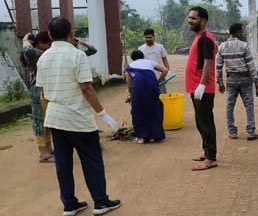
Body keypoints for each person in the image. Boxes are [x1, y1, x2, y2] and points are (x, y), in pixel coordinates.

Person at [36, 17, 121, 215]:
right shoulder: (77, 55)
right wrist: (103, 113)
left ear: (49, 35)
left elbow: (43, 91)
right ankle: (101, 202)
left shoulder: (43, 58)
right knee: (91, 160)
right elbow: (86, 87)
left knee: (63, 164)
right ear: (70, 33)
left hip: (55, 118)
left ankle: (70, 204)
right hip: (78, 119)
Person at [184, 6, 219, 171]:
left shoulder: (205, 38)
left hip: (202, 88)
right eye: (189, 18)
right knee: (200, 121)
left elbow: (208, 63)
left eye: (194, 18)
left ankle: (211, 158)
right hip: (196, 87)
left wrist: (202, 85)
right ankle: (206, 151)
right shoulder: (199, 37)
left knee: (205, 122)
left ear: (203, 20)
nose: (190, 21)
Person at [216, 23, 258, 140]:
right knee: (249, 105)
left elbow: (219, 66)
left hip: (231, 79)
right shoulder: (244, 46)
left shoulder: (221, 47)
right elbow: (251, 65)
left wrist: (220, 83)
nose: (242, 34)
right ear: (237, 32)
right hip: (245, 79)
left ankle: (232, 132)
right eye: (241, 32)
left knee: (230, 105)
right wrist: (256, 81)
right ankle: (251, 132)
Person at [21, 32, 53, 162]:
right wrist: (25, 41)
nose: (50, 46)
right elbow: (28, 50)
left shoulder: (39, 54)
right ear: (39, 44)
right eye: (47, 44)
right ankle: (43, 153)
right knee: (39, 121)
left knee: (47, 121)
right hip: (37, 91)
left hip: (44, 90)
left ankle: (48, 149)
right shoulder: (37, 54)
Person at [125, 50, 168, 144]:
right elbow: (165, 70)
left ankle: (142, 137)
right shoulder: (150, 62)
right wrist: (158, 81)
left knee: (137, 110)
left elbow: (129, 84)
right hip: (152, 86)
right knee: (154, 108)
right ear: (143, 56)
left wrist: (130, 95)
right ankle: (154, 136)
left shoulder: (130, 66)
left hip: (138, 87)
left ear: (132, 58)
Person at [139, 29, 170, 93]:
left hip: (160, 76)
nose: (148, 39)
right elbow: (140, 63)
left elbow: (164, 59)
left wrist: (167, 72)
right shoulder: (140, 48)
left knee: (162, 93)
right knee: (149, 94)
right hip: (147, 77)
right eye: (146, 37)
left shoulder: (160, 47)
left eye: (150, 37)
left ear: (154, 37)